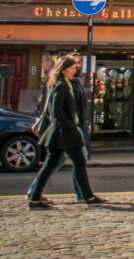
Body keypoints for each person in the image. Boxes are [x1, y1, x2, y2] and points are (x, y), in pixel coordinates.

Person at [27, 55, 105, 209]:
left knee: (51, 165)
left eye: (75, 68)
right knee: (79, 162)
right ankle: (87, 196)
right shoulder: (61, 86)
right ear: (63, 70)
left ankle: (34, 199)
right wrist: (71, 125)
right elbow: (56, 112)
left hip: (62, 132)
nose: (74, 71)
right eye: (71, 68)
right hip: (65, 132)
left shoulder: (68, 84)